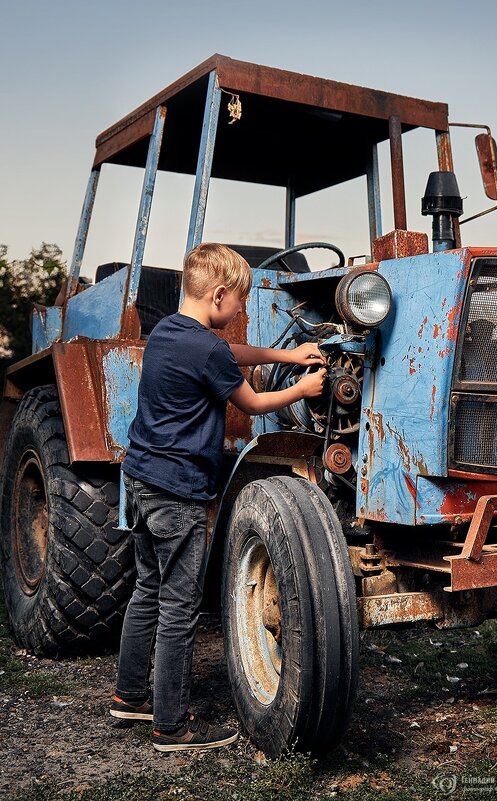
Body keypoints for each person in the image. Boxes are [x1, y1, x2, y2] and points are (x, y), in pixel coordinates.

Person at [110, 242, 326, 752]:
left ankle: (129, 696)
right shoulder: (207, 348)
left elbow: (229, 356)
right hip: (177, 490)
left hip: (140, 481)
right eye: (240, 304)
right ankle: (171, 727)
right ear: (220, 295)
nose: (242, 313)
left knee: (148, 590)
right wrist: (304, 387)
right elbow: (250, 401)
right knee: (180, 606)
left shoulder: (168, 330)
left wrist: (284, 355)